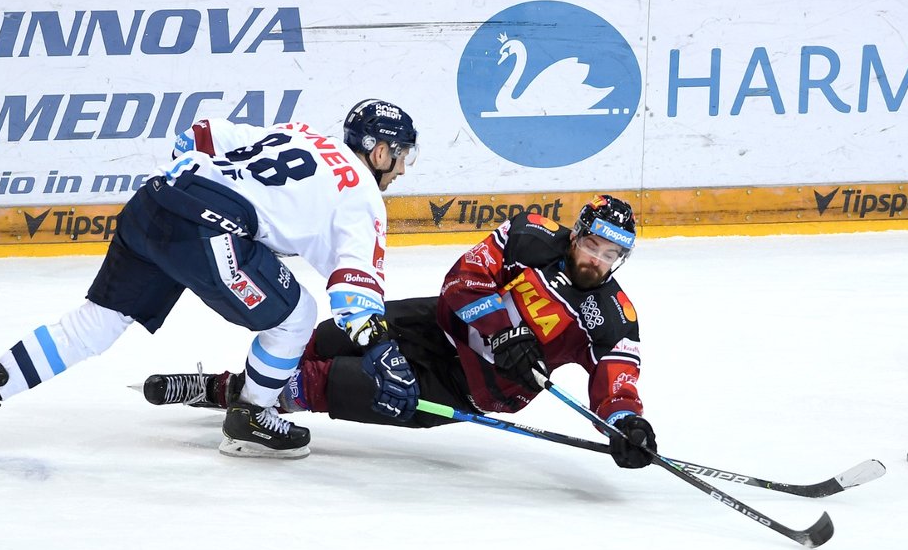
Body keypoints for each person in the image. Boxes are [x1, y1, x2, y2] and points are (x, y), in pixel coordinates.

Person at [0, 99, 420, 460]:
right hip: (209, 229)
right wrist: (380, 349)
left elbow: (204, 134)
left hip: (156, 199)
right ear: (379, 152)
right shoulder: (362, 197)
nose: (402, 171)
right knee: (298, 316)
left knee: (94, 324)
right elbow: (355, 296)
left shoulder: (302, 132)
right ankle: (250, 418)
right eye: (402, 157)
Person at [143, 195, 658, 469]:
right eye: (593, 245)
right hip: (438, 323)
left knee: (336, 382)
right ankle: (233, 387)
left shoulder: (614, 315)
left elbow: (616, 381)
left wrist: (625, 424)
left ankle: (230, 394)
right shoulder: (531, 234)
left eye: (612, 255)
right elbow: (462, 281)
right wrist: (504, 331)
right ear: (579, 233)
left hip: (470, 385)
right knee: (325, 339)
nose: (597, 260)